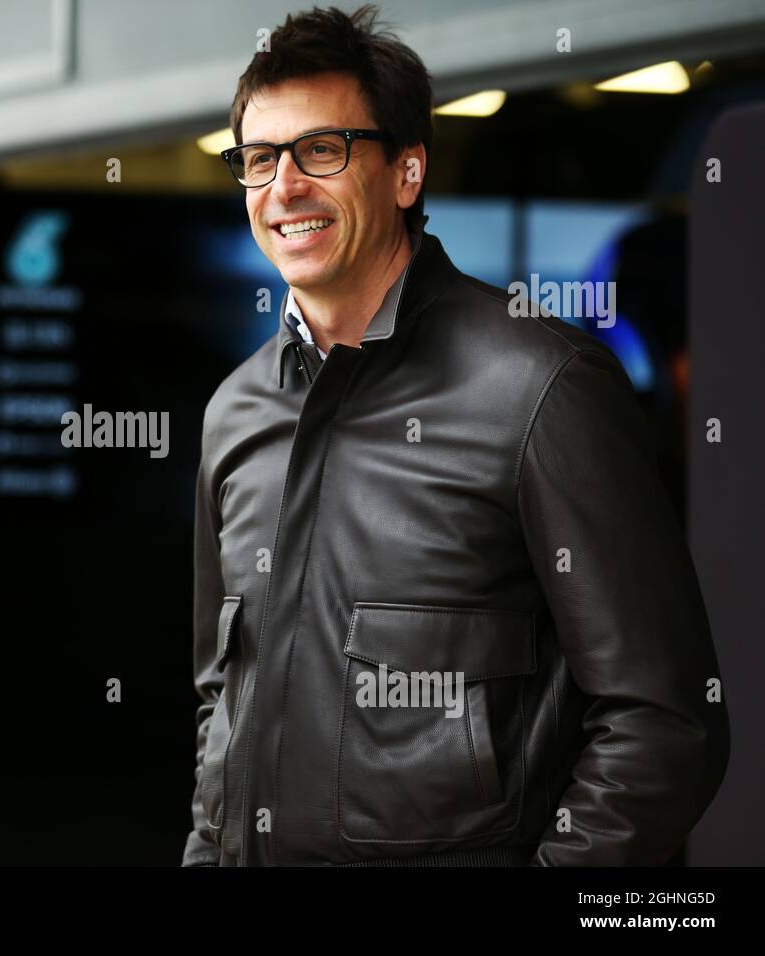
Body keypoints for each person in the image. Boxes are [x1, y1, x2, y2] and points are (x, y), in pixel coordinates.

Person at [182, 5, 728, 867]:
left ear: (406, 171)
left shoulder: (542, 387)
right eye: (257, 159)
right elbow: (223, 695)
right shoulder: (234, 411)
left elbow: (662, 722)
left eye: (321, 150)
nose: (283, 187)